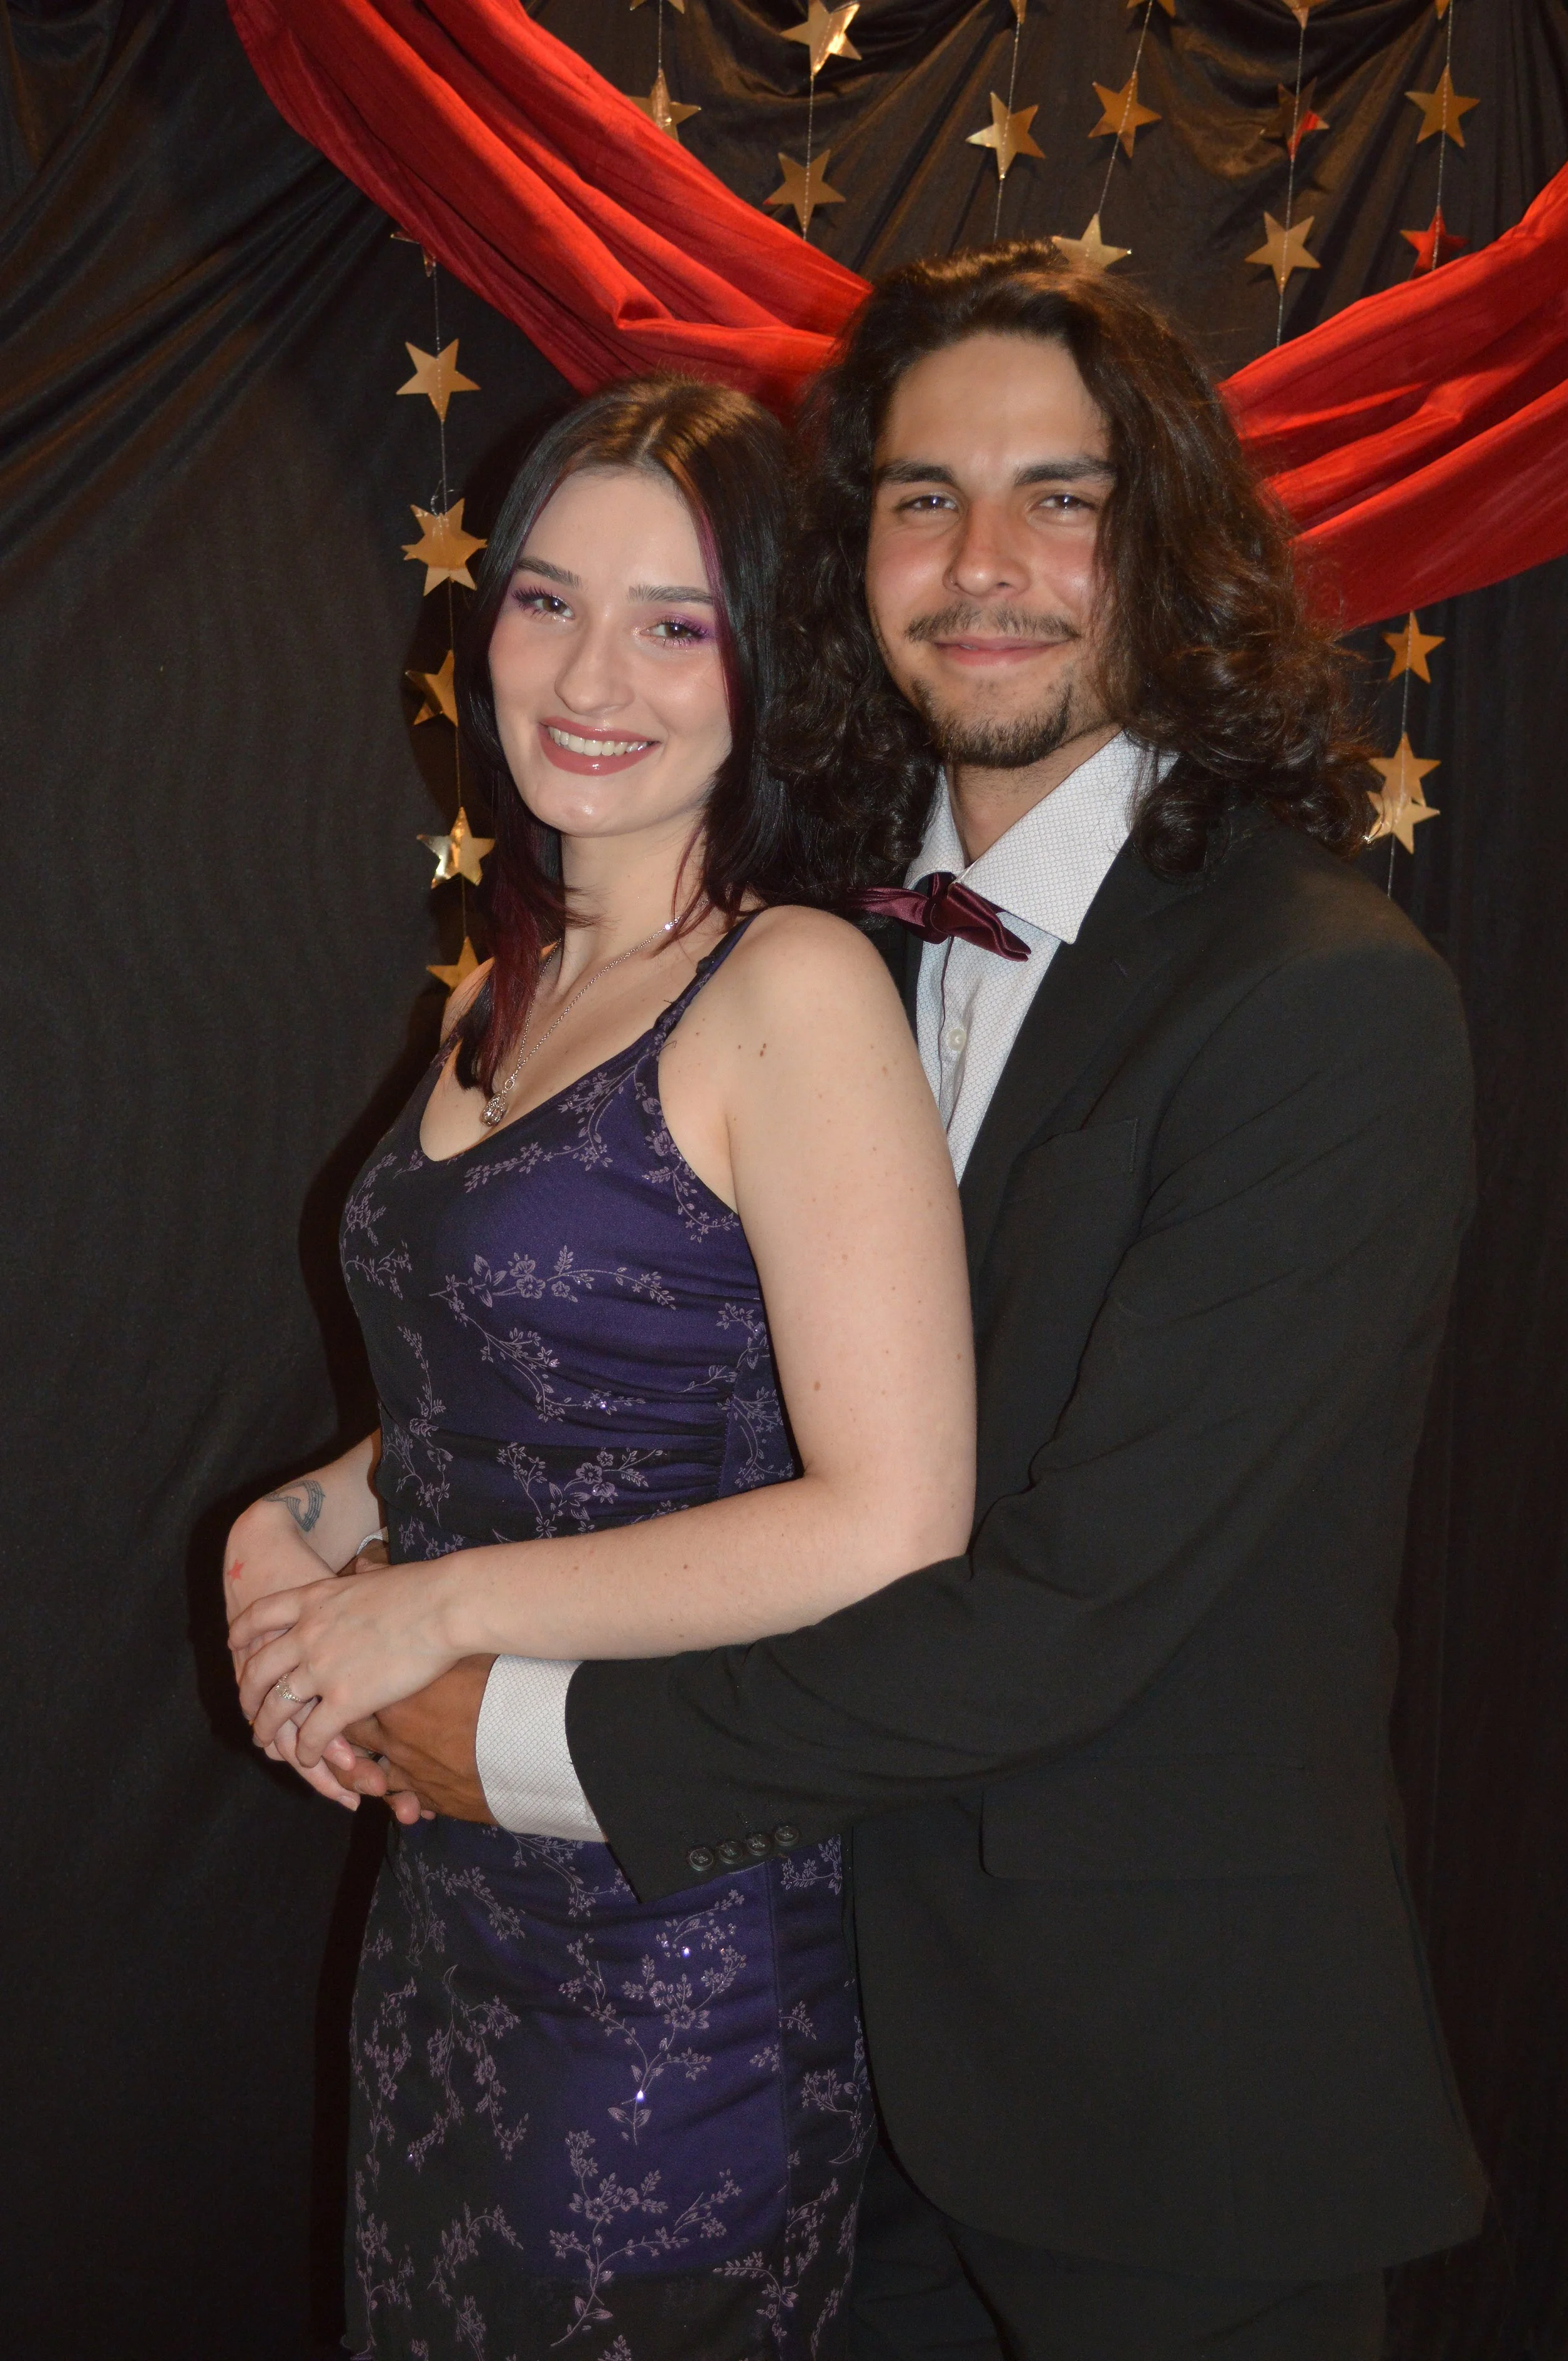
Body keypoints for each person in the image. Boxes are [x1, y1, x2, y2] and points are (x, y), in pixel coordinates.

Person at [315, 249, 1490, 2360]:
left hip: (1157, 2116)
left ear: (1177, 546)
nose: (986, 563)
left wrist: (514, 1727)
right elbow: (711, 1364)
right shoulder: (830, 931)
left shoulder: (1317, 1004)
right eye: (921, 498)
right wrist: (346, 1501)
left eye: (1068, 496)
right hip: (833, 2077)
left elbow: (1063, 1610)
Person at [223, 375, 975, 2360]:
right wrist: (293, 1527)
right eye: (547, 601)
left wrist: (428, 1609)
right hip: (455, 1911)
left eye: (674, 621)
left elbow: (895, 1513)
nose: (589, 675)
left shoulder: (789, 984)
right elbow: (512, 1383)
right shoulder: (523, 975)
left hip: (674, 1965)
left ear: (768, 663)